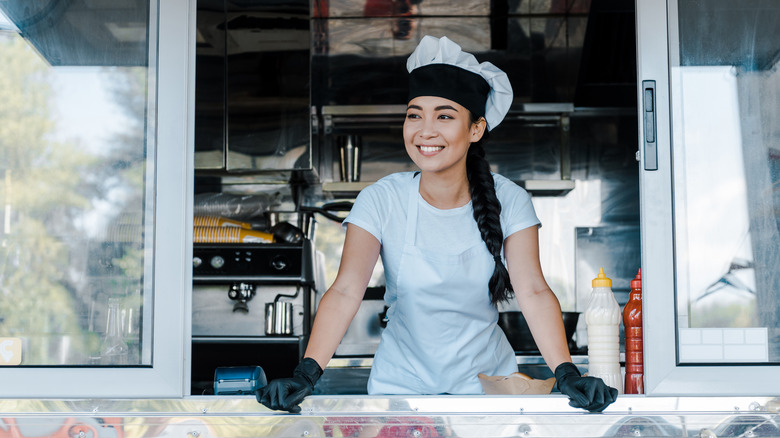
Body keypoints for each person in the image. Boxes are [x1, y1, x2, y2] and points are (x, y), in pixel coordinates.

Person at [257, 35, 618, 413]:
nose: (425, 130)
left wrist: (566, 373)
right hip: (400, 391)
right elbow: (346, 291)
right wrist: (307, 373)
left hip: (487, 393)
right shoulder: (382, 199)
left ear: (475, 129)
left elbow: (534, 292)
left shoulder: (509, 199)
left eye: (444, 116)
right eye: (415, 114)